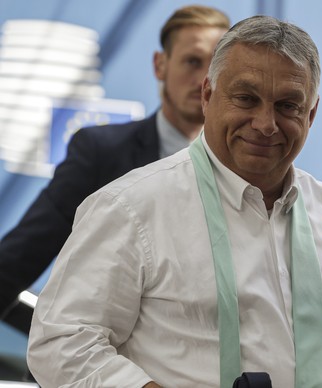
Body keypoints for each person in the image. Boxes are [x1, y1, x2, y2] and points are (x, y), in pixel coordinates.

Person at [27, 15, 322, 388]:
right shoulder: (131, 207)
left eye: (287, 106)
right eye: (246, 98)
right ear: (208, 96)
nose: (265, 124)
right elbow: (60, 342)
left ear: (311, 115)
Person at [0, 5, 230, 318]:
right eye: (193, 61)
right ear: (160, 65)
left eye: (214, 66)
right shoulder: (101, 151)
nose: (204, 78)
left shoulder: (239, 172)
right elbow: (21, 257)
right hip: (84, 356)